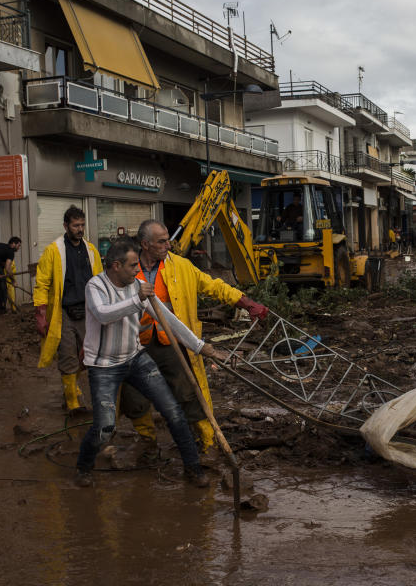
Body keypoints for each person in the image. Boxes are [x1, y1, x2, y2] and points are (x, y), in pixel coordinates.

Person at [74, 238, 225, 488]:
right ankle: (83, 467)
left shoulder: (139, 285)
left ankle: (193, 468)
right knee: (104, 426)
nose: (137, 270)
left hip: (135, 358)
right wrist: (136, 300)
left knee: (174, 412)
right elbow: (103, 315)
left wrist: (200, 346)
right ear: (115, 266)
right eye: (133, 266)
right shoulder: (96, 286)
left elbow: (169, 320)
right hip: (103, 366)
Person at [118, 219, 269, 454]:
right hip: (135, 346)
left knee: (189, 393)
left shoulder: (181, 267)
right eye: (162, 241)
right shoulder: (127, 268)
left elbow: (213, 285)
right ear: (145, 244)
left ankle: (207, 441)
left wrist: (245, 302)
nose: (168, 245)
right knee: (133, 396)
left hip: (172, 343)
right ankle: (147, 441)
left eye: (168, 239)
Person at [34, 206, 104, 416]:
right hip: (63, 313)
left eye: (82, 225)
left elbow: (100, 280)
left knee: (90, 355)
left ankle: (76, 387)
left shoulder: (91, 251)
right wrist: (41, 314)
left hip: (88, 311)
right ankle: (72, 401)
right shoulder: (53, 251)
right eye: (76, 225)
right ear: (66, 226)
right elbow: (42, 283)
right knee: (67, 356)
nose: (80, 229)